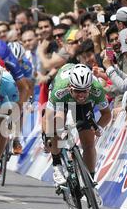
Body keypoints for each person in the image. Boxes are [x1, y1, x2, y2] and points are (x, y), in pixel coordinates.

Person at [42, 63, 111, 193]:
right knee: (56, 125)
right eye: (78, 91)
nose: (81, 95)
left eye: (84, 91)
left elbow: (107, 114)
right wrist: (48, 137)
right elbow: (48, 118)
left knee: (89, 143)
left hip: (83, 105)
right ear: (70, 87)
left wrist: (99, 127)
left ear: (89, 88)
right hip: (63, 100)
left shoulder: (97, 89)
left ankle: (90, 182)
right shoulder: (60, 89)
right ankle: (57, 165)